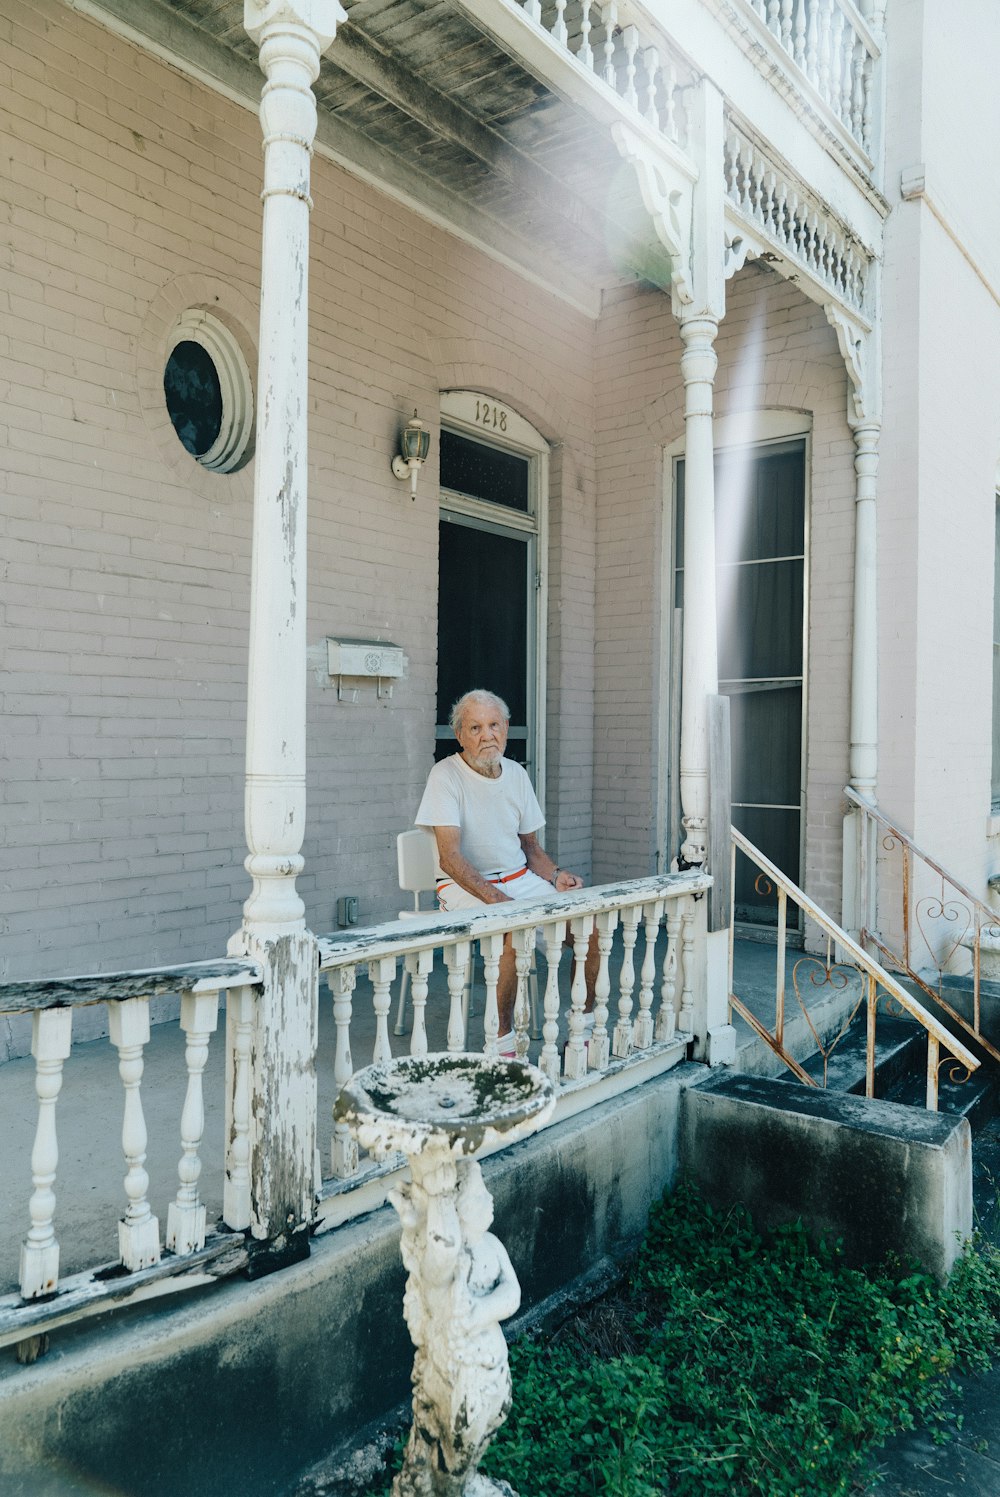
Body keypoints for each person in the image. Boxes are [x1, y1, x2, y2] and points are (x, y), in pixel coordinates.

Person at [415, 687, 598, 1054]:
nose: (487, 736)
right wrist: (500, 901)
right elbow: (449, 858)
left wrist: (556, 874)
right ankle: (503, 1042)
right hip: (461, 886)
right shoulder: (445, 775)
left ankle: (584, 1025)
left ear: (507, 727)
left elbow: (531, 849)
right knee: (511, 931)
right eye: (475, 728)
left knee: (589, 926)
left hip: (518, 879)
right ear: (460, 735)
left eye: (494, 725)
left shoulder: (515, 774)